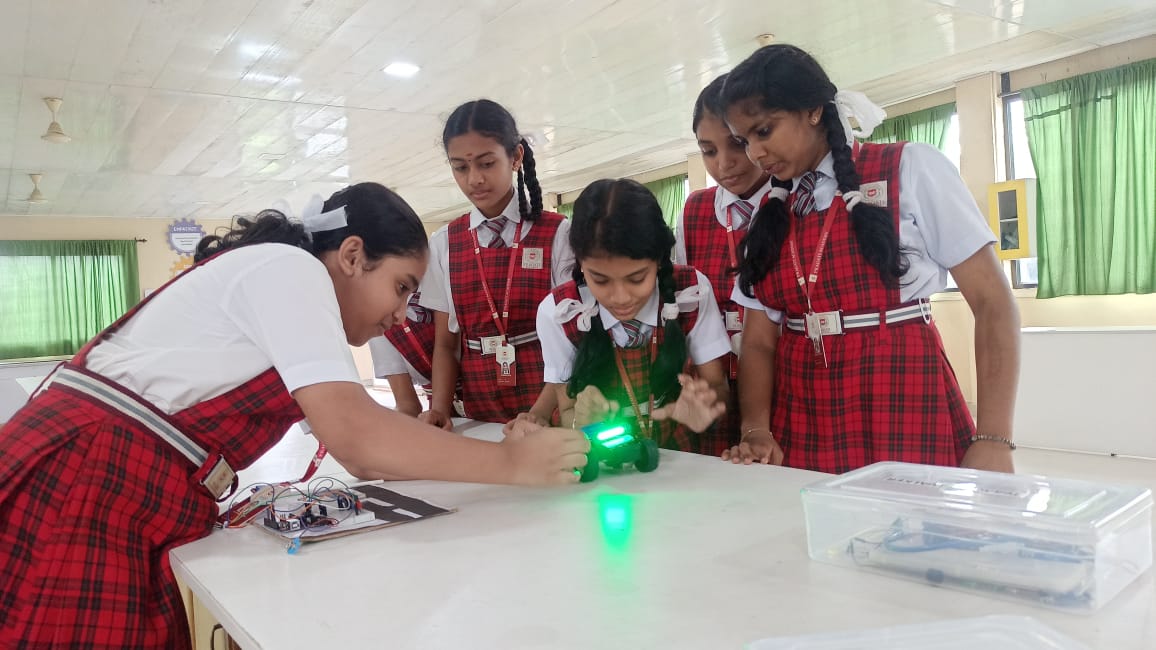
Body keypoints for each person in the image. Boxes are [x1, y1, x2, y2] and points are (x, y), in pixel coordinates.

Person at [0, 182, 588, 648]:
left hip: (112, 487)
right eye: (402, 287)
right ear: (353, 255)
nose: (401, 315)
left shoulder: (280, 285)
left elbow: (379, 438)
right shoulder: (290, 268)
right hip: (82, 482)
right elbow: (358, 437)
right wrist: (511, 463)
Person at [718, 44, 1020, 473]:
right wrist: (755, 429)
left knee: (919, 534)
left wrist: (993, 438)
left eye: (764, 131)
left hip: (902, 395)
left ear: (812, 111)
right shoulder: (769, 216)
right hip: (802, 416)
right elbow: (759, 341)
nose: (754, 154)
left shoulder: (910, 168)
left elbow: (993, 303)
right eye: (744, 140)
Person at [532, 178, 732, 453]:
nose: (621, 297)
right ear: (580, 263)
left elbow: (717, 388)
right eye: (600, 280)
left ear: (660, 259)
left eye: (637, 278)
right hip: (601, 464)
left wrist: (706, 408)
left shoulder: (692, 292)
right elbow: (567, 410)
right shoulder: (562, 313)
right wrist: (583, 421)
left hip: (679, 459)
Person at [419, 99, 570, 429]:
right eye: (460, 167)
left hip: (550, 401)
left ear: (516, 157)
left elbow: (572, 336)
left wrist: (544, 412)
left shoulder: (557, 233)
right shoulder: (444, 242)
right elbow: (446, 344)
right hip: (479, 408)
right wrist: (441, 410)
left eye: (486, 163)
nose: (474, 179)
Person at [675, 72, 776, 456]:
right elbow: (687, 301)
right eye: (709, 150)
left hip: (782, 379)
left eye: (737, 144)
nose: (725, 163)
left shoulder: (791, 203)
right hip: (715, 381)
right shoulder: (696, 211)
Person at [366, 291, 459, 418]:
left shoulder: (442, 283)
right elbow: (407, 404)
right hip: (439, 416)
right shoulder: (377, 324)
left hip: (484, 393)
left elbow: (447, 346)